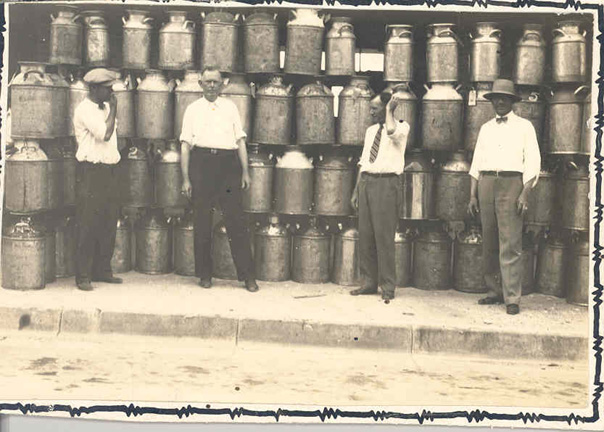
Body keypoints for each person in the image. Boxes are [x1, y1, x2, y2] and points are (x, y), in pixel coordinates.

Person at [180, 66, 259, 292]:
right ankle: (205, 275)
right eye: (208, 82)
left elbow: (240, 141)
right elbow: (185, 145)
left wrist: (245, 172)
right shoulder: (192, 109)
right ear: (201, 84)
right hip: (201, 164)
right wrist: (186, 179)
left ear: (222, 84)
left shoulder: (231, 107)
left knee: (236, 221)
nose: (212, 86)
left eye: (215, 81)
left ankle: (248, 277)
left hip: (228, 165)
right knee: (202, 221)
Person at [468, 78, 541, 315]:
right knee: (489, 240)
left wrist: (524, 194)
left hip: (512, 183)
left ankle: (512, 298)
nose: (500, 102)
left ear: (512, 101)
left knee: (510, 242)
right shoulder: (486, 128)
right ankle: (493, 291)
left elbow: (533, 163)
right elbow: (476, 164)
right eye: (496, 98)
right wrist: (472, 195)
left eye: (504, 98)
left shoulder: (524, 127)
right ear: (491, 101)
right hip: (487, 183)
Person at [350, 90, 410, 302]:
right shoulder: (370, 131)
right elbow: (364, 162)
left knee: (384, 238)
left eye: (375, 109)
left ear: (386, 108)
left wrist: (390, 111)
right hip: (367, 182)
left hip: (387, 184)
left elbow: (391, 130)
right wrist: (357, 190)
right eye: (371, 108)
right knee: (366, 236)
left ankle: (388, 287)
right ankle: (368, 282)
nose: (371, 112)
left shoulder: (401, 127)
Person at [72, 68, 122, 291]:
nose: (111, 92)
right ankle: (83, 275)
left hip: (109, 170)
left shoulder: (106, 108)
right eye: (107, 88)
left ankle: (102, 270)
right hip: (91, 172)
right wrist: (115, 109)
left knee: (108, 222)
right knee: (88, 223)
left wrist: (112, 109)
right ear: (94, 88)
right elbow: (105, 134)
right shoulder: (85, 110)